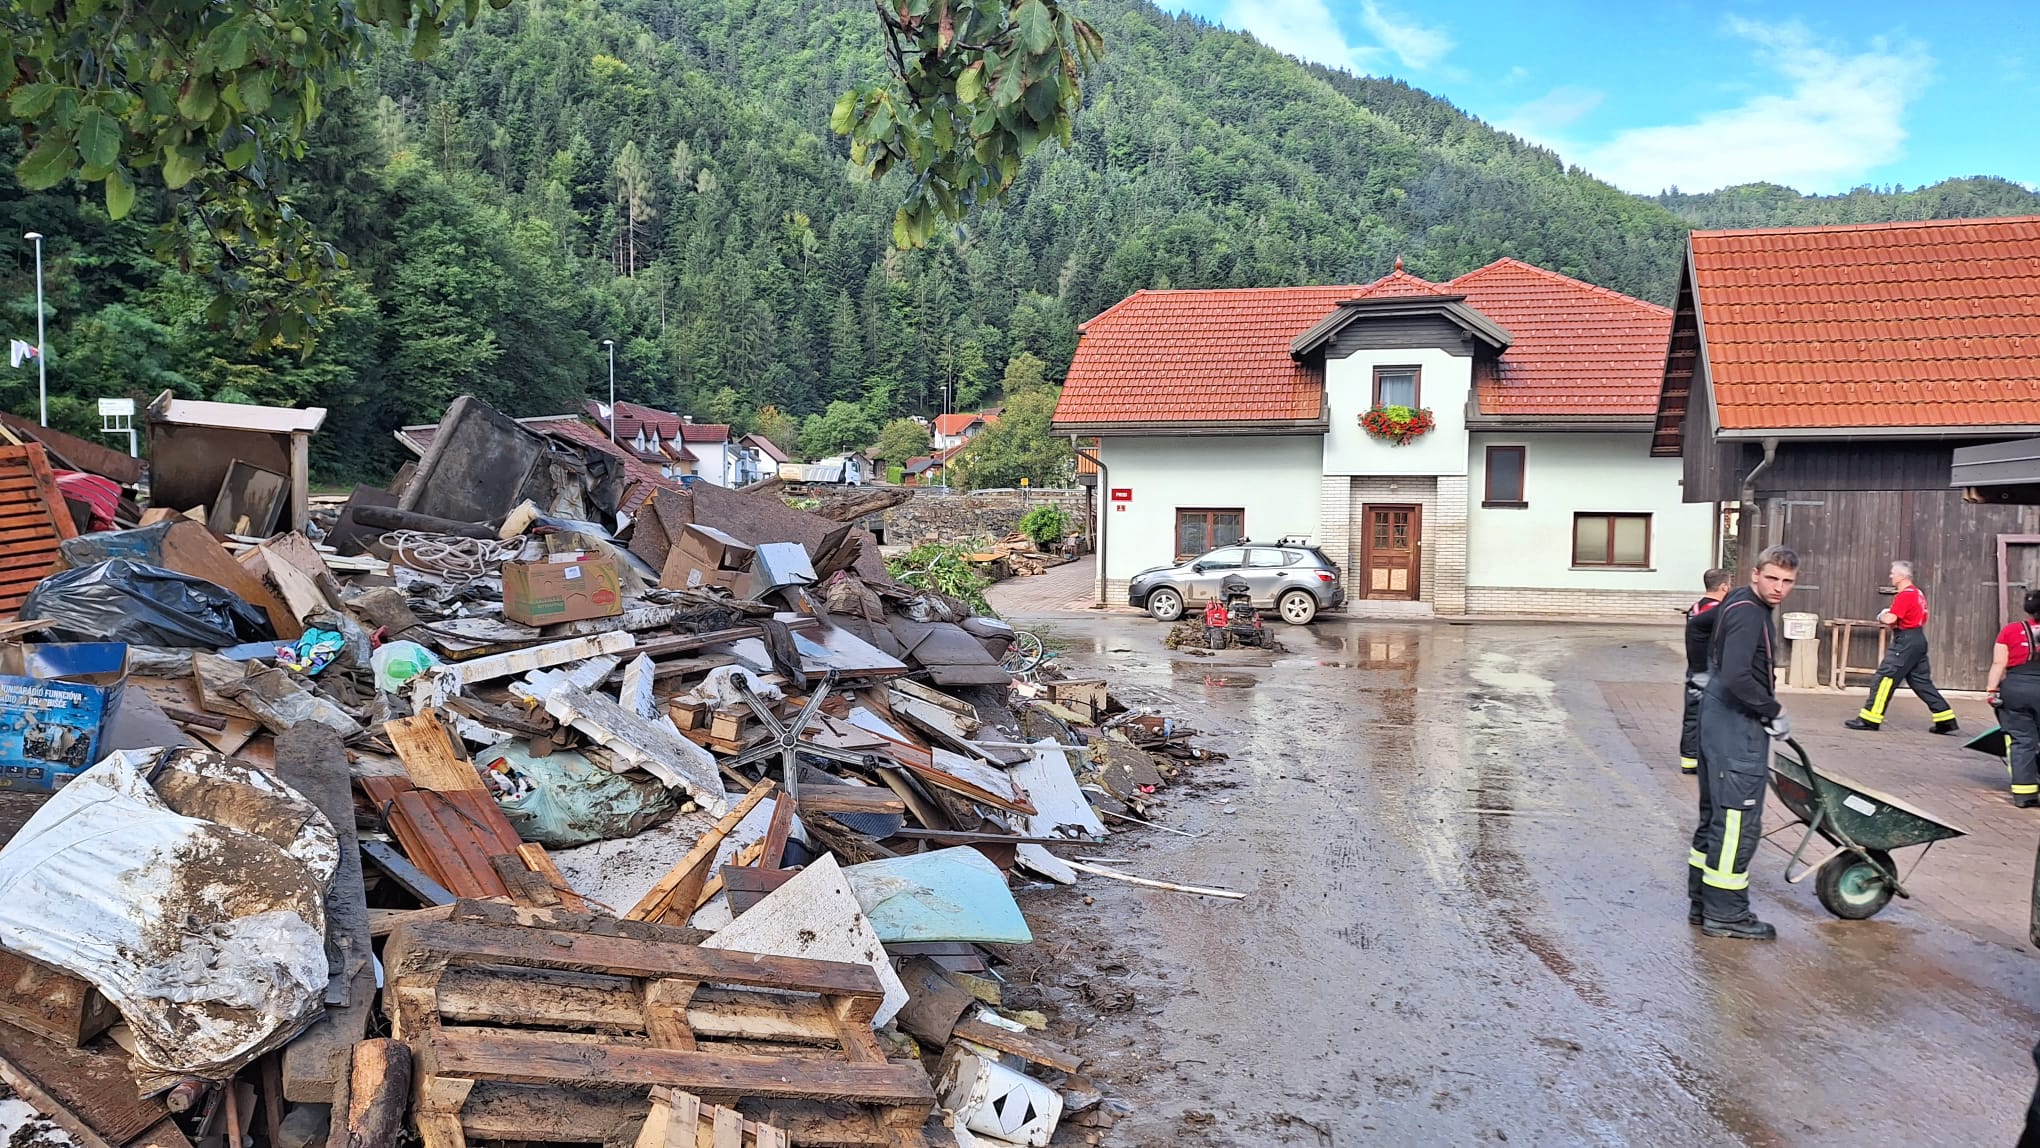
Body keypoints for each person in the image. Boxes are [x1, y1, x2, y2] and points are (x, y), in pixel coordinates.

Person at [1688, 545, 1799, 940]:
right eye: (1772, 578)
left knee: (1714, 815)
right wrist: (1772, 711)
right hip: (1736, 729)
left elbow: (1697, 626)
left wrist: (1700, 674)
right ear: (1755, 574)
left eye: (1787, 581)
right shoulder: (1750, 613)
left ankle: (1702, 905)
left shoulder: (1734, 600)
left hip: (1715, 722)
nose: (1778, 588)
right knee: (1736, 820)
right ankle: (1728, 915)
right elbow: (1737, 675)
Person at [1844, 560, 1958, 734]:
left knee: (1884, 678)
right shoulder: (1918, 593)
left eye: (1892, 573)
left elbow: (1890, 619)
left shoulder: (1905, 595)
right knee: (1921, 682)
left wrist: (1882, 615)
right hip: (1917, 639)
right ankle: (1945, 718)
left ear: (1901, 575)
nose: (1890, 576)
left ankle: (1870, 718)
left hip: (1905, 641)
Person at [1985, 589, 2040, 808]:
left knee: (2022, 741)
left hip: (2016, 689)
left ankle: (2024, 794)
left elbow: (1999, 664)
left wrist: (1991, 690)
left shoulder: (2011, 631)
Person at [1679, 568, 1732, 774]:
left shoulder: (1694, 609)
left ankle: (1689, 760)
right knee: (1715, 718)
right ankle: (1710, 760)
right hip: (1712, 672)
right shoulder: (1719, 611)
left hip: (1694, 670)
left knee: (1692, 715)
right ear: (1724, 587)